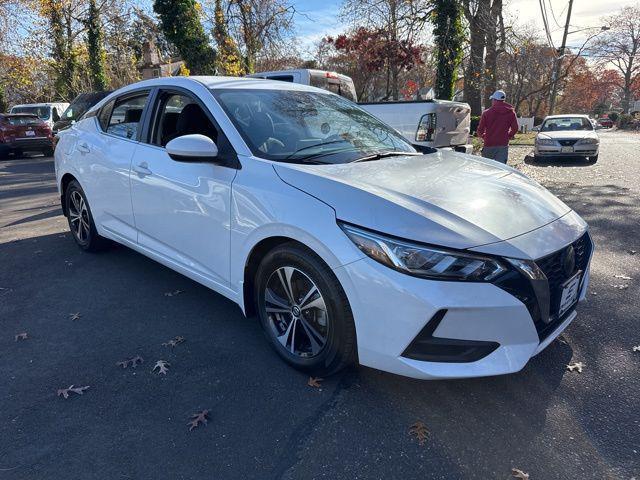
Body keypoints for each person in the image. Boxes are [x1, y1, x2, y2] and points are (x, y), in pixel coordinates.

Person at [476, 90, 520, 164]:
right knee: (500, 169)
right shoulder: (511, 113)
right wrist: (508, 136)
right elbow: (515, 128)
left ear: (494, 100)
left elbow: (480, 130)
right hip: (503, 145)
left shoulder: (486, 113)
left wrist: (484, 136)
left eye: (492, 100)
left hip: (489, 144)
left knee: (486, 169)